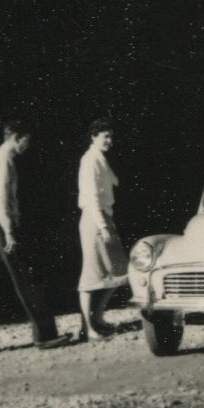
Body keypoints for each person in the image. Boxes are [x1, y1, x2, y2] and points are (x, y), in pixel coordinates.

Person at [0, 119, 70, 354]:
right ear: (17, 138)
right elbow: (2, 198)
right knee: (28, 277)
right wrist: (10, 232)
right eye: (26, 141)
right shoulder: (5, 160)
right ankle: (45, 335)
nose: (27, 146)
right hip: (2, 224)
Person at [76, 117, 129, 341]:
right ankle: (87, 329)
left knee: (117, 272)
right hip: (95, 220)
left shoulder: (100, 159)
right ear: (93, 137)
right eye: (105, 136)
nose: (110, 140)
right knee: (91, 276)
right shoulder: (90, 160)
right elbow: (90, 198)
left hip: (104, 218)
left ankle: (97, 318)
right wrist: (103, 226)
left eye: (111, 136)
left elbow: (114, 182)